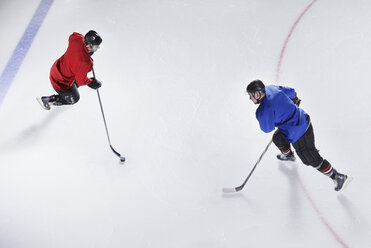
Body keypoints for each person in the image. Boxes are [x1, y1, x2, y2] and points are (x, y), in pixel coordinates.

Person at [246, 79, 349, 191]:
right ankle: (289, 155)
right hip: (301, 118)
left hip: (299, 133)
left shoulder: (263, 110)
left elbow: (267, 129)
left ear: (257, 94)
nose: (249, 98)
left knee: (310, 159)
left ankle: (337, 176)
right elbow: (291, 92)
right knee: (278, 138)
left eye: (250, 95)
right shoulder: (271, 88)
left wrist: (264, 115)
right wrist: (294, 100)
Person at [37, 30, 103, 110]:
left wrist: (85, 48)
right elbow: (80, 81)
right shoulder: (86, 62)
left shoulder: (77, 39)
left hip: (56, 69)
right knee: (74, 98)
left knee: (76, 77)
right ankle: (47, 100)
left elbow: (73, 35)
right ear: (89, 45)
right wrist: (91, 82)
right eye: (96, 46)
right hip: (61, 82)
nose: (98, 48)